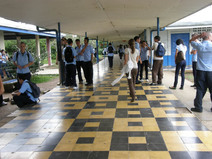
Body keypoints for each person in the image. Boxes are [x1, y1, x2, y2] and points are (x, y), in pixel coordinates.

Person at [189, 32, 212, 113]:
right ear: (209, 37)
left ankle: (198, 107)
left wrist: (198, 36)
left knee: (200, 89)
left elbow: (191, 41)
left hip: (200, 71)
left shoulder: (199, 45)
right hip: (211, 72)